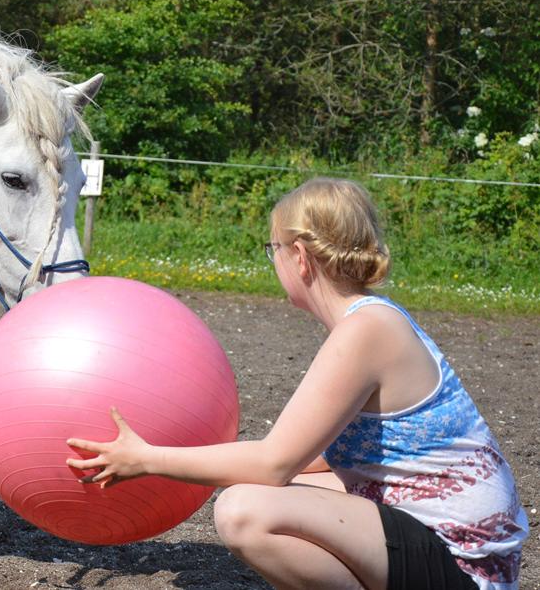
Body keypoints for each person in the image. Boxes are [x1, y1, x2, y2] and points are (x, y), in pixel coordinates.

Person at [66, 177, 528, 589]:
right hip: (448, 541)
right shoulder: (373, 321)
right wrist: (210, 461)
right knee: (257, 489)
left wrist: (147, 459)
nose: (275, 262)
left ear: (301, 257)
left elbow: (272, 464)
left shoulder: (366, 331)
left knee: (245, 511)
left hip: (462, 563)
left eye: (273, 250)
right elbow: (330, 456)